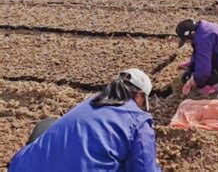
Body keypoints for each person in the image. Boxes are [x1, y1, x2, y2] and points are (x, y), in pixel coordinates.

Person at [9, 69, 161, 172]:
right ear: (140, 96)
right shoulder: (138, 119)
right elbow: (143, 168)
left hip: (20, 167)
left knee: (47, 125)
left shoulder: (90, 103)